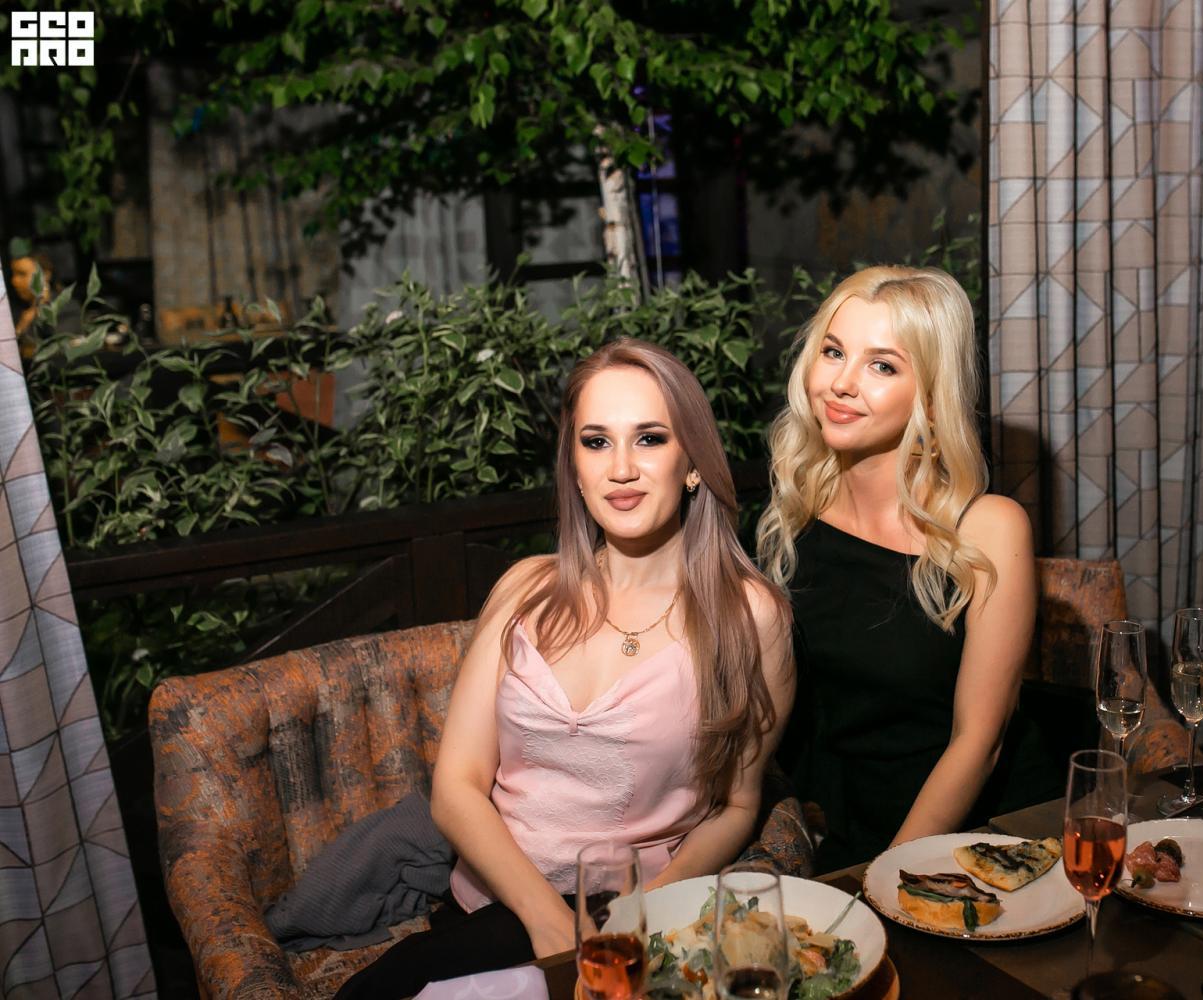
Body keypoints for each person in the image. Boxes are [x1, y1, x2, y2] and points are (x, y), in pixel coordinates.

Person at [339, 338, 793, 998]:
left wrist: (649, 915)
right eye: (596, 442)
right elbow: (457, 785)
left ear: (693, 462)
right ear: (575, 469)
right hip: (497, 904)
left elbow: (738, 804)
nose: (622, 468)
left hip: (630, 914)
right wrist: (546, 919)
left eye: (650, 439)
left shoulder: (750, 616)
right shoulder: (525, 589)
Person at [757, 265, 1037, 873]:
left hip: (971, 837)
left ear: (931, 400)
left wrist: (887, 877)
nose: (841, 383)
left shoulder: (988, 529)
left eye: (881, 366)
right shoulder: (793, 517)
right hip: (834, 834)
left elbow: (979, 742)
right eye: (833, 352)